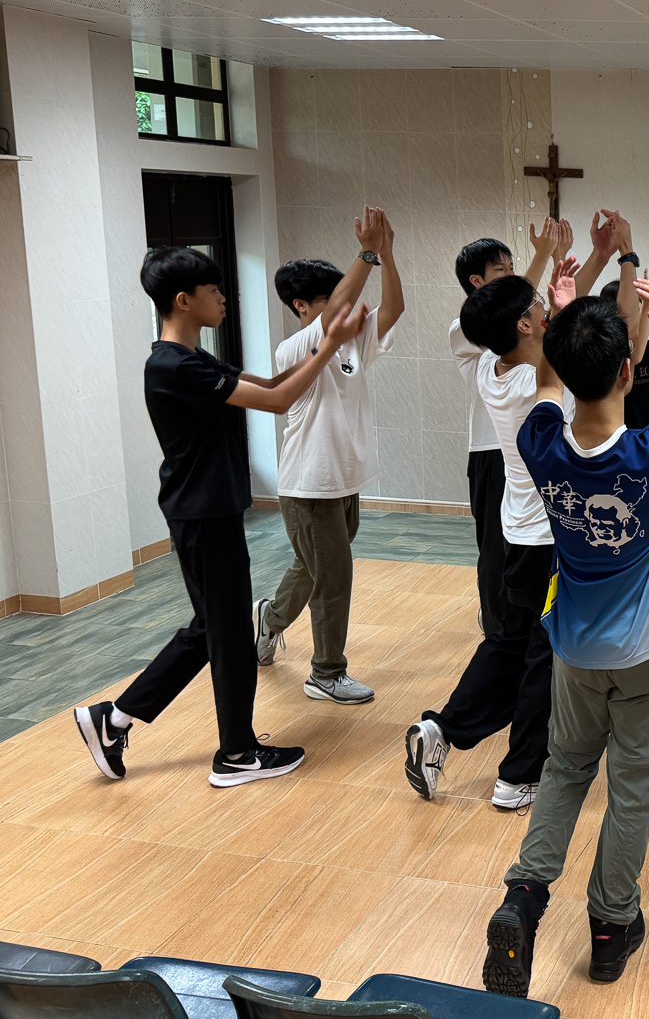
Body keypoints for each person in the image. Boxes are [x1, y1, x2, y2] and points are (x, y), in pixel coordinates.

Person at [483, 273, 649, 996]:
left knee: (564, 769)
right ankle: (612, 927)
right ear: (629, 370)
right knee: (632, 790)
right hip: (647, 648)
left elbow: (549, 384)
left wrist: (563, 323)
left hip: (573, 647)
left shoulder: (539, 442)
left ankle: (525, 896)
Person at [75, 248, 366, 787]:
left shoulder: (192, 358)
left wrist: (326, 345)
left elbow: (274, 385)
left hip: (209, 510)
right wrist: (329, 343)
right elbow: (279, 402)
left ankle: (114, 719)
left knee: (215, 628)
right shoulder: (173, 366)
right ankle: (235, 753)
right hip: (203, 512)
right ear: (184, 300)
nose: (223, 297)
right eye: (213, 290)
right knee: (227, 634)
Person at [405, 226, 568, 813]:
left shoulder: (489, 372)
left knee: (509, 640)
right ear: (524, 325)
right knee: (544, 654)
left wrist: (555, 304)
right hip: (549, 536)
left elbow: (548, 353)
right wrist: (567, 307)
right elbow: (560, 370)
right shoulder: (535, 382)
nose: (544, 309)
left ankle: (442, 729)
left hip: (519, 529)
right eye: (537, 306)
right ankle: (518, 775)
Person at [253, 206, 404, 706]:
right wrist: (367, 253)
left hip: (345, 477)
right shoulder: (295, 348)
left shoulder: (350, 341)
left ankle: (270, 617)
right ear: (302, 306)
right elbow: (342, 306)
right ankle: (326, 673)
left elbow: (394, 308)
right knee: (333, 577)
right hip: (310, 483)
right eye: (330, 300)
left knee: (313, 567)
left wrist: (386, 254)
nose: (346, 308)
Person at [449, 218, 570, 636]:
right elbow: (532, 328)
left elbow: (536, 325)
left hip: (521, 463)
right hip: (493, 454)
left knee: (517, 551)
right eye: (503, 271)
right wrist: (545, 259)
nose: (516, 275)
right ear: (477, 282)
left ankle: (510, 630)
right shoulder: (469, 328)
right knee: (497, 551)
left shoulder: (494, 360)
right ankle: (500, 625)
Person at [604, 267, 649, 429]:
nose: (638, 306)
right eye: (635, 301)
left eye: (639, 300)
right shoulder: (604, 351)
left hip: (646, 431)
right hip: (615, 433)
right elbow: (634, 355)